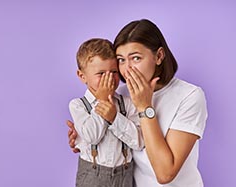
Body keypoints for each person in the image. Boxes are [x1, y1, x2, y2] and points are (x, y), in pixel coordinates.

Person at [67, 19, 208, 187]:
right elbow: (109, 136)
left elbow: (165, 174)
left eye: (136, 58)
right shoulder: (121, 94)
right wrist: (83, 137)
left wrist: (144, 107)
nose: (127, 69)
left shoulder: (189, 96)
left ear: (159, 56)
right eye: (121, 60)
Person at [69, 38, 144, 187]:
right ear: (82, 76)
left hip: (124, 176)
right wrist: (103, 101)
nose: (110, 78)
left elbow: (139, 142)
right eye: (101, 73)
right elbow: (92, 136)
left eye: (114, 72)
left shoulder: (127, 103)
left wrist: (115, 118)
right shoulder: (78, 105)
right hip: (92, 176)